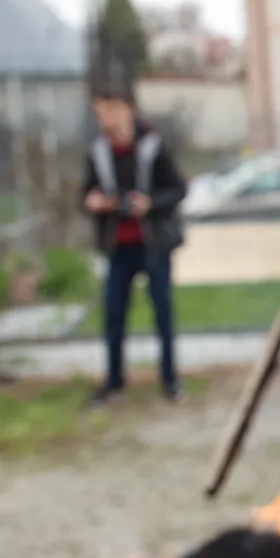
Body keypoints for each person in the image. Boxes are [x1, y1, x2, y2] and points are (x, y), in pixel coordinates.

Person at [82, 77, 187, 405]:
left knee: (162, 314)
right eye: (100, 113)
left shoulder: (153, 147)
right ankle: (114, 382)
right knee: (113, 315)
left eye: (112, 111)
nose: (107, 120)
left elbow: (178, 189)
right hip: (118, 247)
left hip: (152, 244)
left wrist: (150, 204)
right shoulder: (98, 151)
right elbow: (85, 193)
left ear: (128, 110)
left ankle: (170, 382)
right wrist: (94, 201)